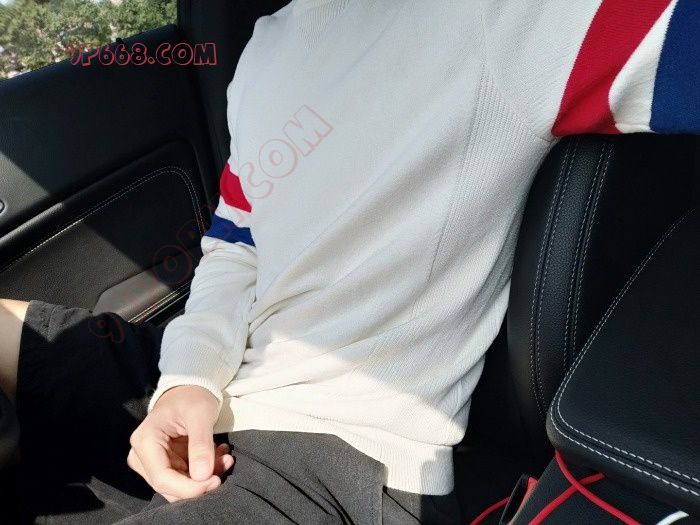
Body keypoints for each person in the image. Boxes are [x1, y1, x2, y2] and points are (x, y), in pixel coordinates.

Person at [1, 0, 698, 523]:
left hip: (341, 450)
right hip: (213, 380)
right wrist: (187, 380)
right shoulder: (265, 48)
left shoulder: (504, 16)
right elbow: (234, 248)